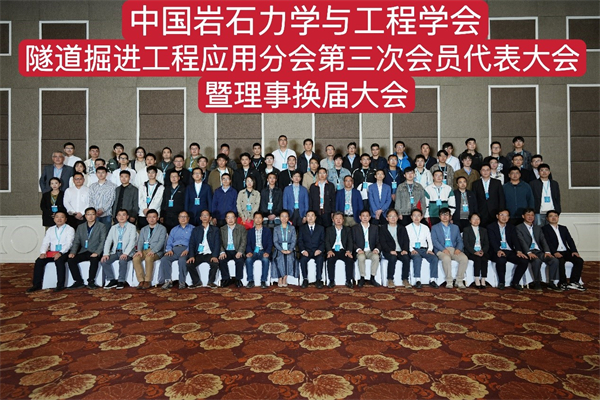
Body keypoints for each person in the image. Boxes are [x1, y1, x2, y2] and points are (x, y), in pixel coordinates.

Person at [27, 212, 75, 293]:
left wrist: (60, 253)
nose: (59, 219)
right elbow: (45, 242)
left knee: (59, 260)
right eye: (57, 217)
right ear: (54, 219)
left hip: (64, 252)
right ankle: (37, 284)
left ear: (66, 219)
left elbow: (69, 243)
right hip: (52, 252)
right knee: (39, 261)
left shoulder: (70, 229)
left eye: (62, 217)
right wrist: (43, 252)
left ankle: (60, 285)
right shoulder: (50, 229)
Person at [516, 208, 560, 291]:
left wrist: (547, 251)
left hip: (539, 251)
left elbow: (543, 240)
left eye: (532, 215)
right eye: (528, 215)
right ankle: (537, 282)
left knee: (554, 260)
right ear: (523, 216)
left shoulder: (537, 228)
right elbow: (521, 242)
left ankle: (551, 282)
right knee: (536, 261)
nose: (530, 217)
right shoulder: (519, 228)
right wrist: (528, 252)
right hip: (527, 252)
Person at [542, 210, 585, 291]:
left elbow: (570, 240)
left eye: (555, 216)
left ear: (558, 217)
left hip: (566, 251)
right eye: (551, 216)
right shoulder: (544, 229)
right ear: (547, 218)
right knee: (560, 261)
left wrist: (574, 251)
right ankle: (562, 283)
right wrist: (554, 252)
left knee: (579, 260)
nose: (554, 218)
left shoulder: (563, 228)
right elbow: (547, 242)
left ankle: (574, 282)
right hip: (555, 252)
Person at [487, 209, 530, 290]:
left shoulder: (511, 227)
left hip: (509, 251)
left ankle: (515, 282)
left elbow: (515, 240)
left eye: (506, 215)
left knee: (524, 261)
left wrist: (519, 251)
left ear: (509, 217)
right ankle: (501, 282)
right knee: (501, 260)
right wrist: (498, 250)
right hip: (496, 251)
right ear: (497, 216)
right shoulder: (491, 227)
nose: (504, 217)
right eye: (502, 215)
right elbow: (492, 240)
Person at [66, 207, 107, 289]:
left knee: (94, 260)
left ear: (96, 215)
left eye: (92, 214)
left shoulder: (101, 226)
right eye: (88, 214)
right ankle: (78, 281)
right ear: (85, 216)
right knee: (71, 260)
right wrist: (73, 252)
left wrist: (97, 252)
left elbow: (103, 241)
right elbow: (76, 241)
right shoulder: (80, 227)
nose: (90, 216)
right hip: (84, 251)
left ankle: (91, 281)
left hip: (95, 251)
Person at [431, 208, 469, 289]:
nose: (445, 216)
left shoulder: (455, 227)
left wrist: (458, 249)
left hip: (454, 249)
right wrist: (443, 249)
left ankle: (459, 280)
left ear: (450, 217)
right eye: (442, 214)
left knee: (464, 258)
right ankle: (449, 281)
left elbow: (459, 240)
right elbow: (434, 241)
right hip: (441, 250)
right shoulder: (435, 227)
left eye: (447, 214)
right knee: (446, 259)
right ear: (439, 216)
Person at [101, 209, 138, 289]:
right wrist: (106, 253)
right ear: (116, 217)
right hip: (115, 251)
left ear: (127, 217)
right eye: (119, 215)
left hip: (127, 252)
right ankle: (112, 280)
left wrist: (126, 253)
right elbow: (108, 241)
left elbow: (132, 241)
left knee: (122, 260)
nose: (121, 217)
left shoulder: (132, 227)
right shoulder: (113, 227)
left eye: (124, 215)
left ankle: (121, 281)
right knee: (104, 261)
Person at [158, 211, 195, 290]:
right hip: (174, 250)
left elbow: (194, 242)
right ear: (178, 218)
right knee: (164, 259)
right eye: (181, 217)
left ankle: (182, 281)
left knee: (182, 260)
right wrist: (169, 250)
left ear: (188, 218)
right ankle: (168, 281)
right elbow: (169, 242)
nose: (183, 218)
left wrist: (188, 250)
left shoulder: (193, 229)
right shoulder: (174, 229)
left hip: (186, 249)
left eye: (185, 217)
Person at [131, 209, 167, 289]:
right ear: (147, 219)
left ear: (157, 218)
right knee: (136, 258)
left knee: (149, 258)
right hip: (144, 250)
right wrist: (139, 251)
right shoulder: (144, 229)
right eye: (149, 217)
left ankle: (147, 281)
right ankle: (141, 280)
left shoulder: (162, 228)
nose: (151, 219)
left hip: (156, 251)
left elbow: (161, 242)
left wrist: (153, 251)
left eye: (154, 217)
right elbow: (140, 241)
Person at [186, 209, 221, 288]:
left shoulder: (215, 230)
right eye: (203, 215)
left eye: (207, 215)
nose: (205, 217)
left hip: (210, 253)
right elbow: (192, 243)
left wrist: (215, 256)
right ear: (200, 218)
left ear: (210, 218)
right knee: (189, 264)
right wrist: (191, 256)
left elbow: (217, 244)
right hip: (199, 254)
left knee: (215, 264)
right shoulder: (195, 230)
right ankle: (196, 282)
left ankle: (211, 282)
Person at [406, 208, 439, 289]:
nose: (416, 218)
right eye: (414, 216)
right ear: (411, 217)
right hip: (413, 249)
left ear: (422, 217)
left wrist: (430, 249)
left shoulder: (425, 227)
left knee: (434, 258)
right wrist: (411, 250)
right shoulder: (407, 227)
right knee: (417, 258)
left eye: (418, 216)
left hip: (424, 249)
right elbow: (406, 241)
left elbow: (430, 240)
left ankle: (432, 280)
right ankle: (417, 280)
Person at [379, 209, 410, 288]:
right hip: (388, 251)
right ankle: (390, 279)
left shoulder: (402, 228)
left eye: (395, 216)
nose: (393, 218)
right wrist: (390, 250)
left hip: (400, 251)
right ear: (387, 218)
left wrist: (405, 250)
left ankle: (405, 279)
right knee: (393, 258)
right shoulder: (383, 228)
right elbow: (382, 242)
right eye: (390, 216)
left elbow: (406, 240)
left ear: (397, 217)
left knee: (406, 258)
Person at [325, 212, 355, 288]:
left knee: (349, 260)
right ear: (333, 220)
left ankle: (349, 280)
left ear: (343, 220)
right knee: (330, 260)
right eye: (336, 218)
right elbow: (326, 241)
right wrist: (329, 250)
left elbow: (350, 241)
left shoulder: (347, 229)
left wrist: (349, 251)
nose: (338, 220)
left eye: (340, 218)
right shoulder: (329, 229)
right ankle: (331, 281)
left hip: (343, 250)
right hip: (333, 250)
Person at [352, 209, 381, 287]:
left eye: (367, 216)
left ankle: (372, 277)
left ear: (370, 217)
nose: (365, 218)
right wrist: (358, 250)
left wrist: (376, 249)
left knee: (376, 257)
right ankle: (362, 278)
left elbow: (379, 241)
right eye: (363, 216)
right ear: (360, 217)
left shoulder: (375, 228)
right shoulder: (355, 228)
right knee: (361, 257)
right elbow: (352, 242)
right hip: (360, 251)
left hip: (371, 250)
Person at [218, 211, 247, 288]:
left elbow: (244, 241)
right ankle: (226, 279)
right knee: (221, 260)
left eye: (232, 217)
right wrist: (222, 251)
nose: (230, 219)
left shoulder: (241, 228)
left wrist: (240, 251)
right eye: (228, 218)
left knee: (239, 260)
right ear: (225, 219)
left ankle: (238, 279)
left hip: (237, 250)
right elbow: (219, 242)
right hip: (226, 250)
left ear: (235, 218)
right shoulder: (222, 229)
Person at [245, 212, 273, 289]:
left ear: (262, 219)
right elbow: (248, 244)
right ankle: (250, 281)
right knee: (248, 260)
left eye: (259, 218)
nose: (258, 219)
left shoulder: (267, 231)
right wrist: (249, 252)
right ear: (253, 219)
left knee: (265, 260)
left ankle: (263, 281)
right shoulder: (250, 231)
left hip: (263, 251)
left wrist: (267, 252)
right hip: (253, 251)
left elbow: (270, 243)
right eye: (256, 218)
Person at [298, 210, 325, 288]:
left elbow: (323, 241)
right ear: (306, 218)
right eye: (308, 216)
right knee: (303, 260)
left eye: (312, 215)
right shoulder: (302, 228)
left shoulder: (321, 228)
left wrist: (319, 250)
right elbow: (300, 241)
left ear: (315, 217)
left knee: (320, 259)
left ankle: (318, 280)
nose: (310, 217)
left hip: (317, 251)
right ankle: (305, 279)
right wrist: (303, 251)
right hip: (306, 251)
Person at [272, 210, 298, 287]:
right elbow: (275, 241)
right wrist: (281, 250)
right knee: (279, 258)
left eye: (286, 216)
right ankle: (280, 277)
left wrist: (290, 249)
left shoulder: (292, 228)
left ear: (288, 218)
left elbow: (294, 240)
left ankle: (285, 277)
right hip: (279, 249)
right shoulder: (276, 228)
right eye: (282, 216)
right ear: (279, 218)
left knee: (289, 258)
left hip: (290, 248)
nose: (284, 218)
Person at [463, 213, 489, 289]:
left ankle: (483, 279)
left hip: (481, 251)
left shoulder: (483, 230)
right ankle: (477, 279)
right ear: (470, 220)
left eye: (478, 219)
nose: (476, 221)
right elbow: (466, 244)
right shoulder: (466, 230)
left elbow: (487, 243)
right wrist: (474, 252)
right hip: (471, 252)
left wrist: (483, 251)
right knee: (477, 259)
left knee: (484, 259)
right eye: (474, 219)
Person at [88, 166, 116, 230]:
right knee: (95, 232)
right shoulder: (92, 186)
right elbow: (90, 199)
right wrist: (94, 210)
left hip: (107, 214)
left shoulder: (112, 186)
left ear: (106, 174)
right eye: (99, 172)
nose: (100, 174)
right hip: (94, 214)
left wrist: (102, 210)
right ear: (96, 174)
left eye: (103, 172)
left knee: (106, 232)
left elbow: (111, 200)